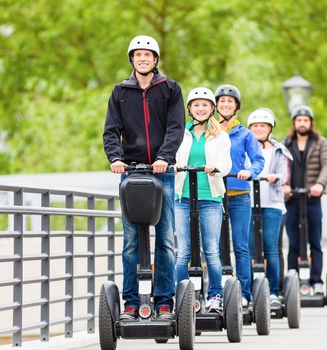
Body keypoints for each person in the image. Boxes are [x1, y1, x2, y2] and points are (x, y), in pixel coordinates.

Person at [102, 35, 185, 319]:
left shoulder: (171, 89)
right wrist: (115, 158)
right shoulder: (120, 91)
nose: (142, 59)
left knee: (165, 240)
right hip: (131, 174)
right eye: (138, 55)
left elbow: (176, 128)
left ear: (155, 60)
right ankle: (131, 303)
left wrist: (164, 157)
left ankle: (163, 302)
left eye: (147, 55)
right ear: (132, 60)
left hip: (163, 173)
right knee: (131, 242)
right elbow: (111, 130)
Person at [174, 87, 232, 312]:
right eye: (196, 105)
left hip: (210, 198)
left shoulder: (220, 136)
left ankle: (215, 296)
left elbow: (226, 164)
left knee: (211, 250)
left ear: (212, 109)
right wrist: (173, 165)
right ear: (189, 108)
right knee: (184, 252)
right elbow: (170, 155)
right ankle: (182, 296)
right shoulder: (180, 132)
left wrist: (215, 168)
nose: (200, 108)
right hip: (183, 196)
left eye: (205, 105)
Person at [215, 84, 265, 307]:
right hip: (215, 194)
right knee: (214, 246)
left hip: (239, 195)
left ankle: (244, 294)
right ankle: (214, 293)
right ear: (216, 105)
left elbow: (258, 160)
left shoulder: (245, 133)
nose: (225, 104)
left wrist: (250, 172)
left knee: (241, 246)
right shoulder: (209, 130)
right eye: (222, 101)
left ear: (236, 106)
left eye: (230, 101)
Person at [247, 108, 293, 306]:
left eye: (263, 126)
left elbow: (284, 173)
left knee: (270, 247)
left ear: (270, 128)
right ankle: (246, 292)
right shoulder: (245, 147)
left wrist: (278, 178)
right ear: (250, 128)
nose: (259, 129)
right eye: (255, 126)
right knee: (247, 249)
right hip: (247, 203)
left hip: (272, 203)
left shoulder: (278, 150)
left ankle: (274, 291)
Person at [283, 105, 327, 295]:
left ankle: (316, 281)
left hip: (312, 199)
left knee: (315, 242)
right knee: (293, 242)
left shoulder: (320, 142)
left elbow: (326, 165)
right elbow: (282, 167)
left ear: (310, 123)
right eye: (299, 120)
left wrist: (320, 184)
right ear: (294, 123)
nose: (302, 123)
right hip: (292, 199)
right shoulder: (286, 143)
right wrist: (284, 185)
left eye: (305, 120)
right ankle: (293, 282)